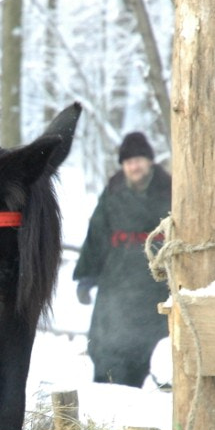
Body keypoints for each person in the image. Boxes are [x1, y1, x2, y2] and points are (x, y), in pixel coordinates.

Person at [73, 131, 172, 388]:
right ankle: (107, 395)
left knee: (150, 349)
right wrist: (86, 277)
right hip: (116, 282)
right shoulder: (113, 191)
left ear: (149, 161)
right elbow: (97, 232)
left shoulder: (169, 189)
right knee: (107, 345)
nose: (134, 166)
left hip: (155, 283)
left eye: (138, 160)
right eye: (128, 162)